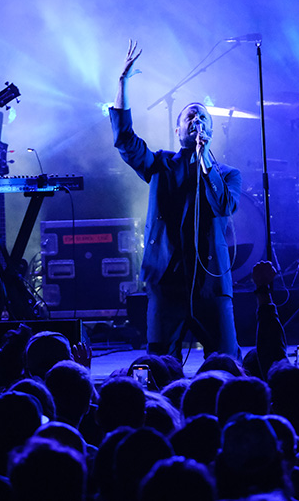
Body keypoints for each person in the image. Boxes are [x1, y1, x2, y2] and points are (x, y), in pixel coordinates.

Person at [110, 40, 241, 359]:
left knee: (226, 364)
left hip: (211, 285)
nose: (197, 123)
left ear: (211, 131)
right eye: (191, 118)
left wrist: (205, 159)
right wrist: (122, 84)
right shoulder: (160, 165)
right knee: (160, 367)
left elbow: (224, 206)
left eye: (204, 120)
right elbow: (125, 141)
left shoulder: (227, 174)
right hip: (167, 282)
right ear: (178, 127)